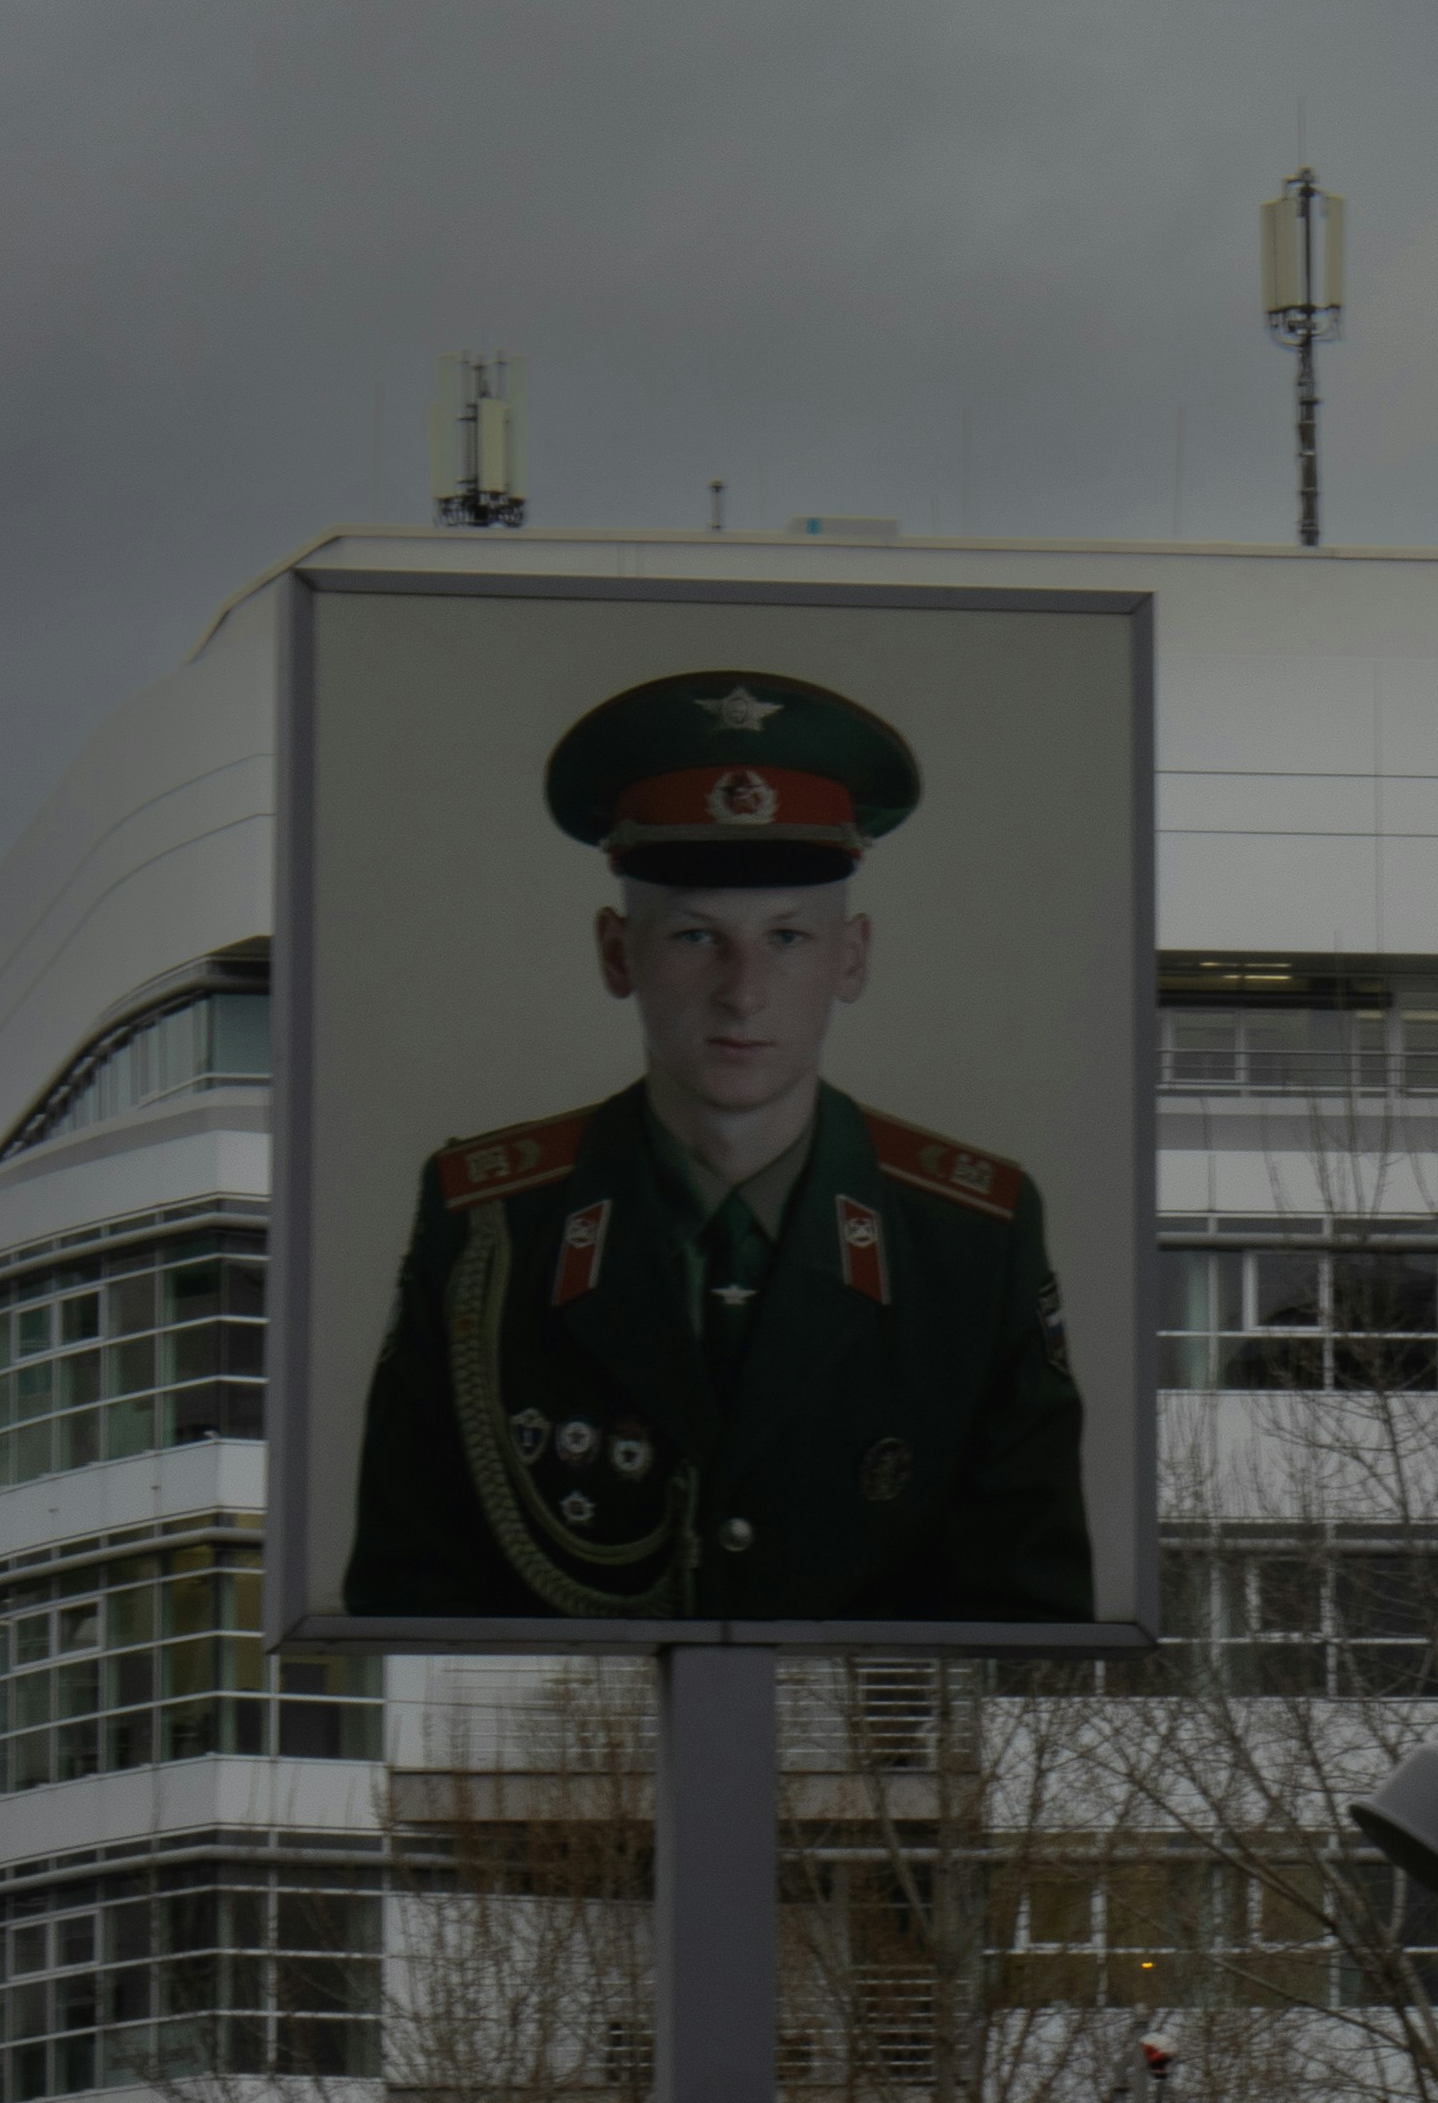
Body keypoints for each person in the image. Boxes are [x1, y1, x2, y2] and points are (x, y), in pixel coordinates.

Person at [344, 668, 1094, 1623]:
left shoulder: (971, 1237)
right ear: (618, 953)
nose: (743, 992)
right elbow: (406, 1599)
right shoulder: (488, 1224)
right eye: (696, 938)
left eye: (787, 938)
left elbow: (1034, 1621)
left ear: (851, 957)